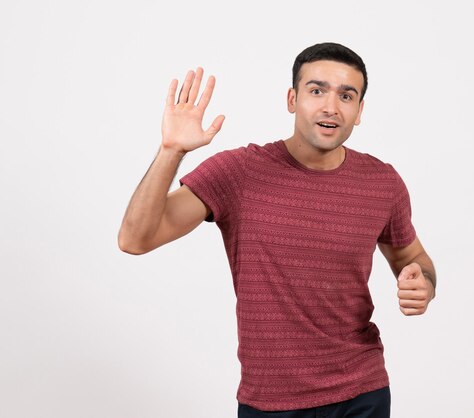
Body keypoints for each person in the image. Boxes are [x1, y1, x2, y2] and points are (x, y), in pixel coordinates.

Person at [118, 42, 436, 418]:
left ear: (360, 110)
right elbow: (135, 238)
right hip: (271, 403)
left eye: (346, 96)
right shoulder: (237, 173)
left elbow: (412, 257)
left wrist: (424, 283)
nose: (331, 107)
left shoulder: (382, 183)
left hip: (362, 392)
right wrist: (172, 150)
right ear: (292, 99)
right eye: (316, 91)